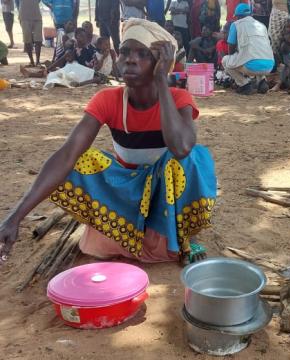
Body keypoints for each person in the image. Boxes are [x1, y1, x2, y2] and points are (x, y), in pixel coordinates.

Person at [0, 18, 217, 265]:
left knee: (189, 160)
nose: (131, 59)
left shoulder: (179, 98)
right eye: (124, 52)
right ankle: (138, 231)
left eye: (143, 53)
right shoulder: (107, 100)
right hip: (128, 189)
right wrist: (15, 217)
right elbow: (68, 153)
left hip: (165, 192)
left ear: (160, 63)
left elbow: (181, 148)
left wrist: (161, 82)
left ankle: (182, 236)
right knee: (81, 161)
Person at [223, 3, 274, 95]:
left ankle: (244, 84)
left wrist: (235, 57)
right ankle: (262, 82)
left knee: (225, 60)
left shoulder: (236, 25)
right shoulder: (261, 25)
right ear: (250, 14)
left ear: (237, 16)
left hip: (251, 65)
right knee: (257, 54)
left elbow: (230, 47)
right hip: (269, 65)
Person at [19, 0, 43, 66]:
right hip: (24, 16)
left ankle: (38, 61)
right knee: (27, 40)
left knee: (38, 40)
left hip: (36, 15)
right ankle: (32, 61)